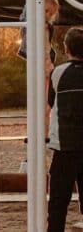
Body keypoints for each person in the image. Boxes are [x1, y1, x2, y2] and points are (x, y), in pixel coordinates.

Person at [47, 27, 83, 232]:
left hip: (65, 146)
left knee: (58, 204)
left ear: (66, 48)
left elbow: (51, 102)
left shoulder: (58, 73)